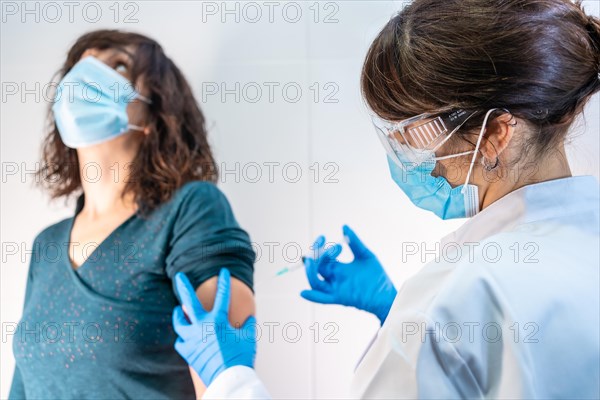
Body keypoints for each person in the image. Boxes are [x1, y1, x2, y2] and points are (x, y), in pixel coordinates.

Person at [171, 0, 600, 398]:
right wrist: (395, 313)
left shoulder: (453, 297)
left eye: (414, 131)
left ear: (495, 133)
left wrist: (230, 377)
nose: (400, 152)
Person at [8, 30, 256, 399]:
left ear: (155, 109)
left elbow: (226, 376)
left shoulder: (191, 209)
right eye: (81, 65)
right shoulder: (47, 244)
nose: (86, 77)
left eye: (119, 65)